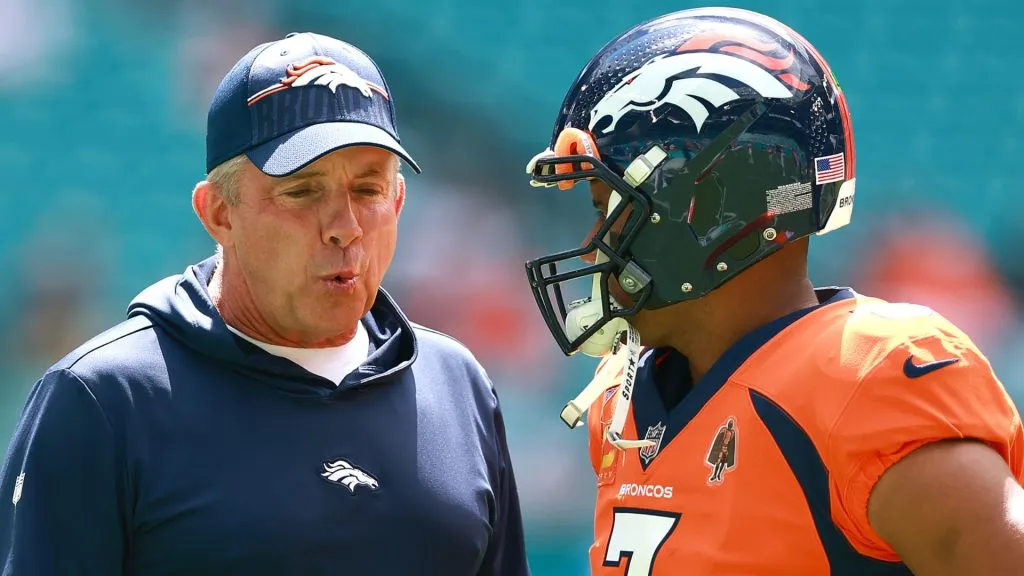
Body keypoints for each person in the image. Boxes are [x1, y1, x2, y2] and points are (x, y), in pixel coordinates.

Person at [0, 32, 530, 576]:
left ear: (398, 202)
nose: (344, 228)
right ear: (218, 214)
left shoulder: (458, 385)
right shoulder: (102, 401)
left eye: (368, 190)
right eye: (302, 191)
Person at [522, 7, 1024, 576]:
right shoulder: (625, 396)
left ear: (705, 207)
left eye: (606, 208)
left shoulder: (862, 383)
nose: (593, 246)